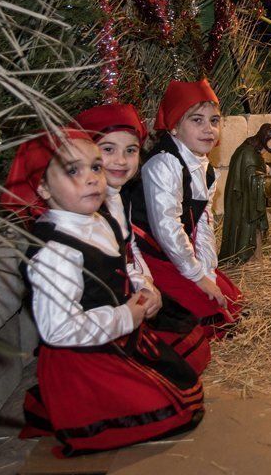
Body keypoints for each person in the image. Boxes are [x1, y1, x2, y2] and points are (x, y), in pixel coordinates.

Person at [1, 130, 203, 457]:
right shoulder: (55, 252)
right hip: (81, 354)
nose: (92, 179)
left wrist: (144, 289)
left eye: (96, 167)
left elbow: (124, 264)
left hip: (115, 331)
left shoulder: (97, 221)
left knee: (185, 376)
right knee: (170, 411)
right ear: (42, 187)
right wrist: (125, 316)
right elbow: (58, 329)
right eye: (73, 171)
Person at [74, 104, 211, 374]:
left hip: (126, 293)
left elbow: (130, 250)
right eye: (108, 149)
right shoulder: (83, 210)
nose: (121, 161)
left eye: (131, 150)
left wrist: (146, 286)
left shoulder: (118, 196)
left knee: (195, 344)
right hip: (98, 311)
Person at [127, 79, 243, 338]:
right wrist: (195, 275)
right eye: (197, 120)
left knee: (230, 299)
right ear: (175, 127)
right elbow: (166, 227)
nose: (208, 129)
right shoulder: (164, 164)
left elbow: (203, 222)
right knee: (206, 312)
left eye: (214, 120)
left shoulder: (206, 168)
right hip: (153, 252)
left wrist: (207, 270)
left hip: (177, 250)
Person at [218, 123, 271, 264]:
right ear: (264, 139)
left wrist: (264, 170)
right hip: (244, 203)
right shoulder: (248, 154)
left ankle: (256, 258)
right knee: (250, 228)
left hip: (249, 201)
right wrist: (269, 179)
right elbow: (251, 181)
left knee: (256, 229)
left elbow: (254, 173)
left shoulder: (255, 152)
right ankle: (249, 260)